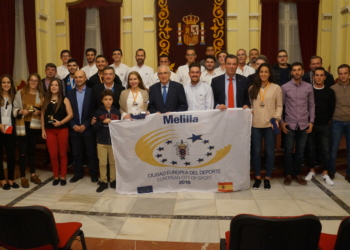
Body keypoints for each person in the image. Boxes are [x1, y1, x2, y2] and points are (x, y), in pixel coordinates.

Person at [249, 64, 282, 190]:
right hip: (256, 124)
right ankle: (257, 177)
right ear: (258, 74)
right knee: (256, 152)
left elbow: (279, 106)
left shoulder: (276, 88)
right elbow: (251, 106)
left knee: (269, 152)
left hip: (270, 125)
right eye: (261, 72)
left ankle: (267, 177)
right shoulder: (252, 88)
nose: (263, 74)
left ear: (269, 74)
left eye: (266, 72)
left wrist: (277, 118)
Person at [281, 62, 315, 186]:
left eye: (298, 70)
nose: (296, 72)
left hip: (304, 124)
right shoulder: (285, 87)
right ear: (291, 72)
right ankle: (288, 174)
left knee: (300, 151)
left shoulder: (308, 87)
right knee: (289, 150)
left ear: (302, 71)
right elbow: (280, 106)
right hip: (289, 123)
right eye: (294, 70)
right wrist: (281, 122)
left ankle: (297, 174)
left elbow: (311, 105)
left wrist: (311, 122)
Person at [304, 67, 335, 185]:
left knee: (325, 150)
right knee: (310, 149)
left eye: (321, 75)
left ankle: (325, 173)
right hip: (310, 125)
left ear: (325, 77)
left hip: (323, 125)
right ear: (313, 77)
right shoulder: (308, 90)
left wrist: (326, 120)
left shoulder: (330, 92)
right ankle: (311, 170)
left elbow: (331, 109)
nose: (319, 77)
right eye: (317, 75)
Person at [13, 73, 45, 188]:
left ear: (38, 83)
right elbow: (15, 108)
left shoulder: (41, 95)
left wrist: (39, 112)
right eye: (31, 80)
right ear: (28, 81)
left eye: (35, 81)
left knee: (32, 151)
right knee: (22, 152)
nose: (33, 82)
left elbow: (45, 112)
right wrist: (21, 111)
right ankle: (22, 177)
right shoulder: (21, 92)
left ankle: (33, 174)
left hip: (34, 127)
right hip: (22, 125)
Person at [67, 70, 99, 183]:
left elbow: (94, 110)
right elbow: (67, 112)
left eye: (81, 77)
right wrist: (74, 125)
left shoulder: (92, 92)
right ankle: (78, 173)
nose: (78, 79)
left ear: (85, 78)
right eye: (76, 77)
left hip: (88, 128)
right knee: (76, 153)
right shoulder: (69, 93)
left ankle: (94, 174)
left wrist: (86, 124)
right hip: (74, 128)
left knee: (91, 152)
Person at [41, 78, 73, 186]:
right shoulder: (45, 99)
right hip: (49, 131)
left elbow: (70, 115)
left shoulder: (64, 99)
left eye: (56, 85)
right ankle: (56, 175)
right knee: (53, 154)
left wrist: (61, 122)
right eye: (52, 85)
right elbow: (42, 115)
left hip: (62, 130)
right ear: (49, 87)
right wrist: (43, 130)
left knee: (62, 153)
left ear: (60, 87)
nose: (54, 87)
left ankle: (63, 175)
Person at [93, 89, 121, 192]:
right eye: (106, 99)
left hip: (113, 142)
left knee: (113, 162)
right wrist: (102, 122)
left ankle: (113, 180)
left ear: (113, 100)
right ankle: (104, 181)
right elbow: (94, 127)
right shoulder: (98, 112)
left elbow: (120, 127)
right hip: (101, 142)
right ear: (102, 100)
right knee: (102, 163)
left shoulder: (117, 112)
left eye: (110, 99)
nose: (108, 101)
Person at [329, 64, 350, 182]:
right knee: (334, 148)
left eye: (345, 73)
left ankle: (349, 173)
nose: (343, 76)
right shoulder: (333, 89)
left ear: (349, 74)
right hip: (337, 121)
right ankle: (331, 171)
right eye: (340, 73)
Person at [0, 75, 19, 190]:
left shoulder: (14, 97)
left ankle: (11, 179)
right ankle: (2, 179)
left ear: (11, 84)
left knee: (11, 155)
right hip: (0, 129)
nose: (6, 84)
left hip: (11, 130)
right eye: (3, 82)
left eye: (8, 82)